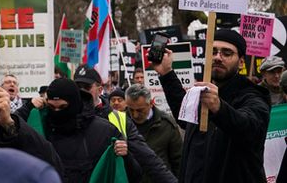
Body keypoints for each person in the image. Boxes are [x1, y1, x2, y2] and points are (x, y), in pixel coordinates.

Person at [151, 29, 271, 183]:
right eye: (213, 52)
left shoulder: (252, 96)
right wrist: (166, 74)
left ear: (241, 62)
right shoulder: (202, 91)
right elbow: (186, 118)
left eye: (226, 53)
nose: (217, 57)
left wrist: (219, 108)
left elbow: (250, 127)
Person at [29, 78, 137, 183]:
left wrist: (126, 156)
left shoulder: (105, 131)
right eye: (52, 107)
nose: (57, 112)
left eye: (63, 107)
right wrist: (27, 107)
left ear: (75, 104)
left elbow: (132, 174)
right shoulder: (40, 128)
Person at [125, 84, 181, 183]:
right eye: (130, 109)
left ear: (151, 103)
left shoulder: (167, 124)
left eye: (140, 110)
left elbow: (178, 161)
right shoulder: (121, 123)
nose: (135, 115)